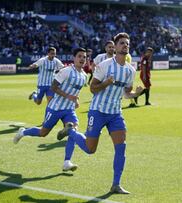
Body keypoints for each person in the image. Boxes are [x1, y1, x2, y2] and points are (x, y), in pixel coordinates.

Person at [57, 33, 143, 194]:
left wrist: (135, 94)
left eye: (127, 44)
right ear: (115, 47)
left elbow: (126, 93)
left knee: (121, 147)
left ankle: (116, 184)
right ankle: (71, 132)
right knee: (90, 149)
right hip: (98, 111)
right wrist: (106, 83)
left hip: (115, 113)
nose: (125, 46)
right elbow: (93, 88)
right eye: (122, 43)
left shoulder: (131, 70)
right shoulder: (105, 65)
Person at [14, 48, 87, 173]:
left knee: (73, 130)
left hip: (69, 110)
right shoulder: (66, 71)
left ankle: (66, 162)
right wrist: (68, 96)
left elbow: (76, 92)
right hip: (55, 108)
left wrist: (76, 100)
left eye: (84, 57)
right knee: (43, 133)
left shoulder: (84, 76)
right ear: (74, 58)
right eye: (79, 56)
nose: (82, 59)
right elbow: (53, 87)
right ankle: (23, 132)